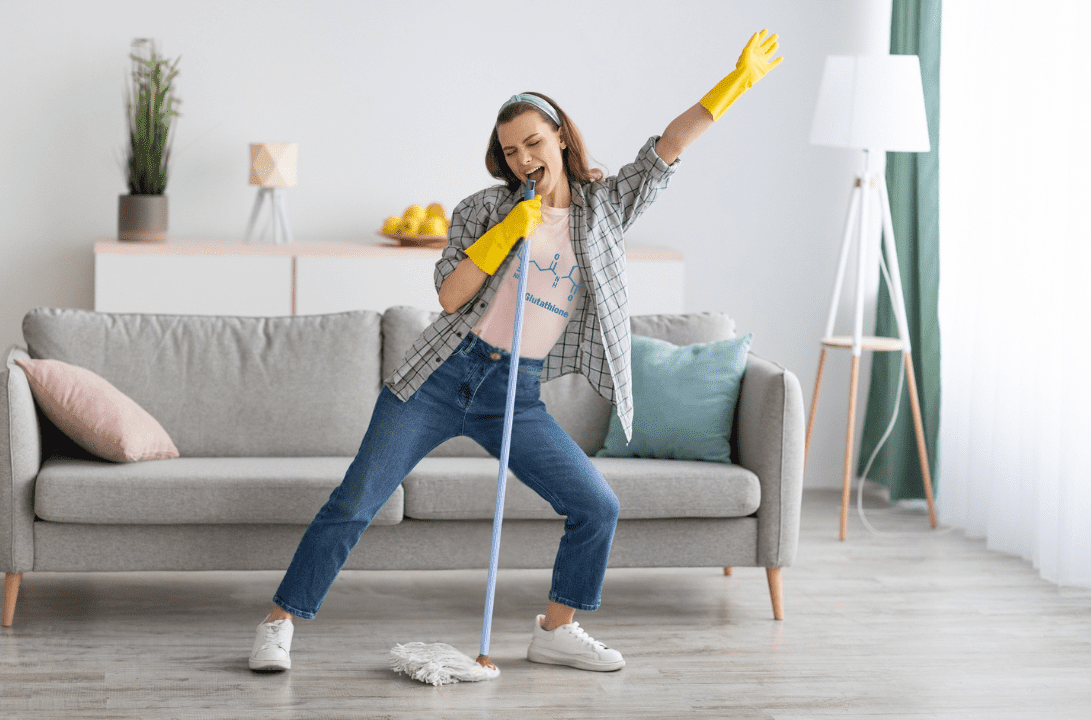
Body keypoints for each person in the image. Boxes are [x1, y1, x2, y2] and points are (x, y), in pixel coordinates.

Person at [249, 29, 783, 674]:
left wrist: (734, 84)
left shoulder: (605, 206)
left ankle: (556, 630)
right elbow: (450, 297)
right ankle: (280, 623)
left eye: (534, 141)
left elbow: (667, 147)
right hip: (440, 377)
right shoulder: (483, 210)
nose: (525, 157)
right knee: (355, 503)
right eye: (511, 151)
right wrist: (509, 230)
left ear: (560, 138)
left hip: (515, 392)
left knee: (596, 505)